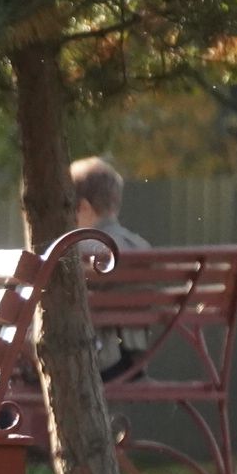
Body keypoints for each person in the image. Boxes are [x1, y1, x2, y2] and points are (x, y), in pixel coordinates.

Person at [72, 156, 151, 380]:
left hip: (95, 363)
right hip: (133, 363)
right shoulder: (141, 246)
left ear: (84, 207)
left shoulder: (79, 250)